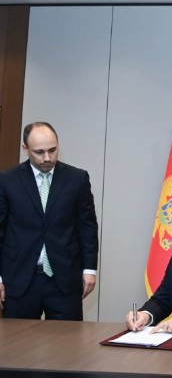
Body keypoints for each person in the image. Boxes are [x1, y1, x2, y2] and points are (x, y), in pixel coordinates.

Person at [0, 122, 99, 320]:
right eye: (39, 152)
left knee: (68, 338)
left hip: (64, 279)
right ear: (26, 149)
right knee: (18, 339)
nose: (47, 157)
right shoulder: (7, 180)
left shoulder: (77, 178)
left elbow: (87, 227)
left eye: (52, 150)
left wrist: (89, 269)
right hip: (19, 279)